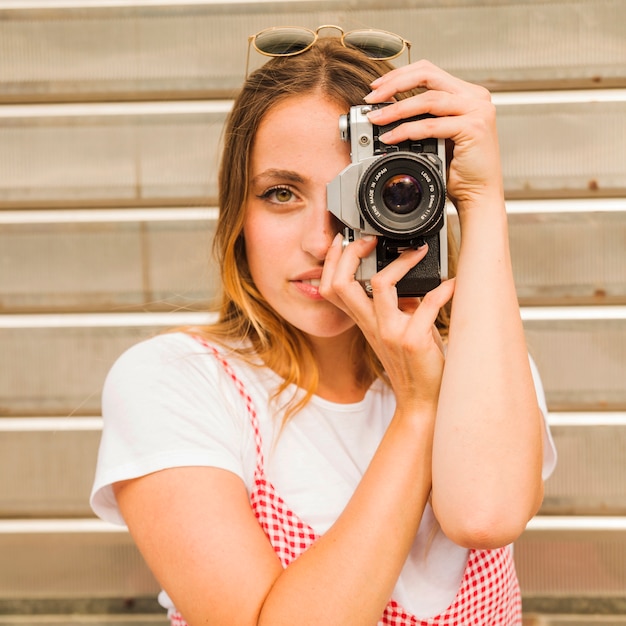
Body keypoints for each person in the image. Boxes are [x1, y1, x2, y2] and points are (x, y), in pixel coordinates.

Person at [91, 26, 557, 626]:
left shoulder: (483, 364)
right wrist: (417, 408)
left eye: (360, 195)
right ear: (238, 213)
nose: (319, 242)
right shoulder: (174, 382)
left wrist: (482, 197)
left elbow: (484, 516)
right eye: (281, 194)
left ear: (413, 204)